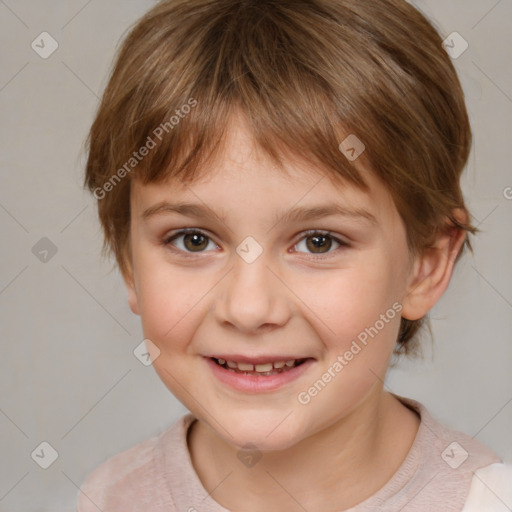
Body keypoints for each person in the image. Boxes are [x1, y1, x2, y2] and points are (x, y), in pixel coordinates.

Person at [78, 0, 511, 510]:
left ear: (425, 265)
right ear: (129, 262)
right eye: (193, 240)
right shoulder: (110, 498)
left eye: (318, 242)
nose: (248, 308)